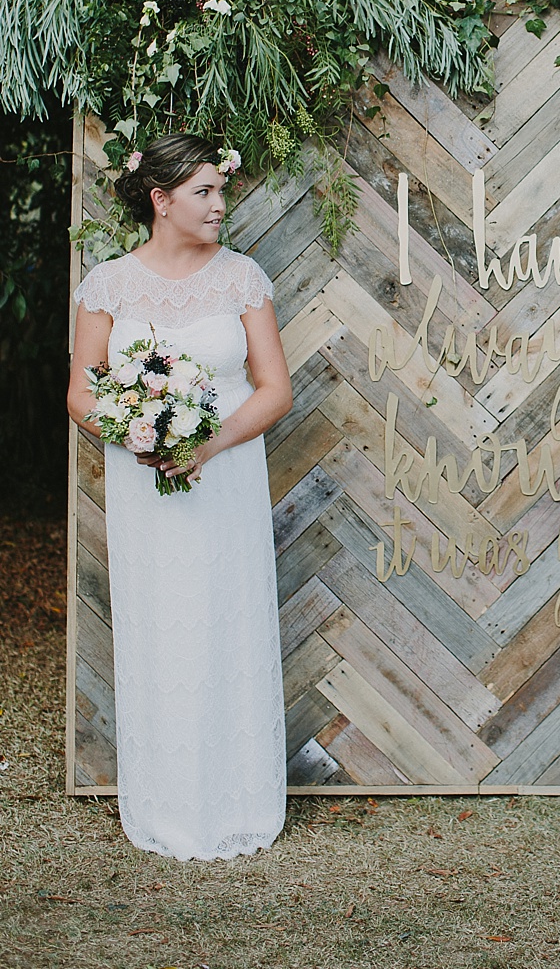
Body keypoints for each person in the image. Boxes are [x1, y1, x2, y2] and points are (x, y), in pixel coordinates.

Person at [67, 134, 293, 860]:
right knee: (162, 625)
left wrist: (203, 445)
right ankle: (165, 803)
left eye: (220, 191)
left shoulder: (243, 279)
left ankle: (240, 800)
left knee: (226, 620)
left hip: (223, 478)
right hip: (148, 490)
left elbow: (274, 389)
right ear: (161, 201)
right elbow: (81, 392)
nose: (220, 205)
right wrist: (140, 436)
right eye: (204, 192)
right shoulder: (108, 285)